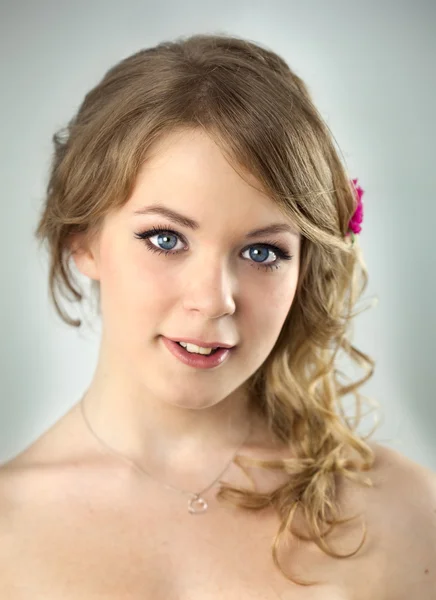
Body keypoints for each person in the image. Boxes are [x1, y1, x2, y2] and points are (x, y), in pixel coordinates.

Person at [0, 33, 435, 599]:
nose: (214, 300)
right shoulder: (8, 532)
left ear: (304, 267)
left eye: (262, 252)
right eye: (165, 238)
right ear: (82, 241)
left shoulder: (403, 512)